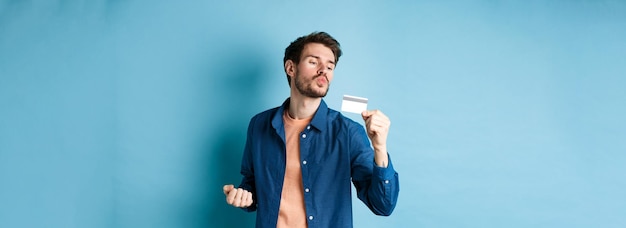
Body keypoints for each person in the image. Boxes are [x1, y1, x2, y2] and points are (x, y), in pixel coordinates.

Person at [222, 31, 399, 228]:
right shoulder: (259, 125)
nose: (324, 69)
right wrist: (243, 196)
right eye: (314, 62)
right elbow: (252, 183)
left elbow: (383, 205)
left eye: (330, 66)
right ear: (291, 68)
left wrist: (380, 148)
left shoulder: (348, 132)